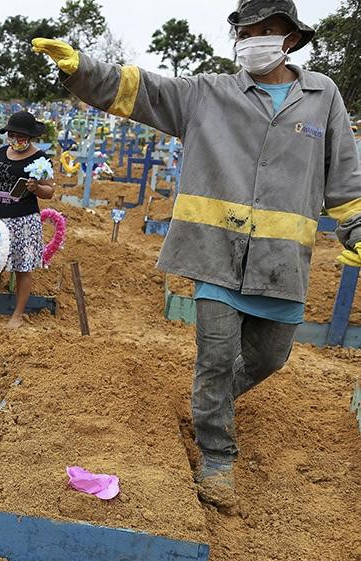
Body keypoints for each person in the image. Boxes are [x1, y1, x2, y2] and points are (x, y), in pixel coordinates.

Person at [33, 0, 361, 510]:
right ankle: (216, 456)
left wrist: (356, 227)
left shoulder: (323, 97)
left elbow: (343, 173)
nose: (255, 39)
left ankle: (210, 405)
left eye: (268, 29)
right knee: (214, 355)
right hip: (215, 254)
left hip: (280, 262)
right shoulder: (209, 93)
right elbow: (140, 91)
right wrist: (80, 70)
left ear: (291, 38)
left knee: (270, 357)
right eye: (246, 31)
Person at [0, 111, 55, 329]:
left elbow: (50, 191)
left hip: (24, 219)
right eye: (12, 134)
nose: (16, 139)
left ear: (30, 136)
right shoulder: (0, 154)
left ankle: (17, 314)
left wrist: (36, 188)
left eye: (21, 135)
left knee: (22, 268)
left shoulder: (40, 159)